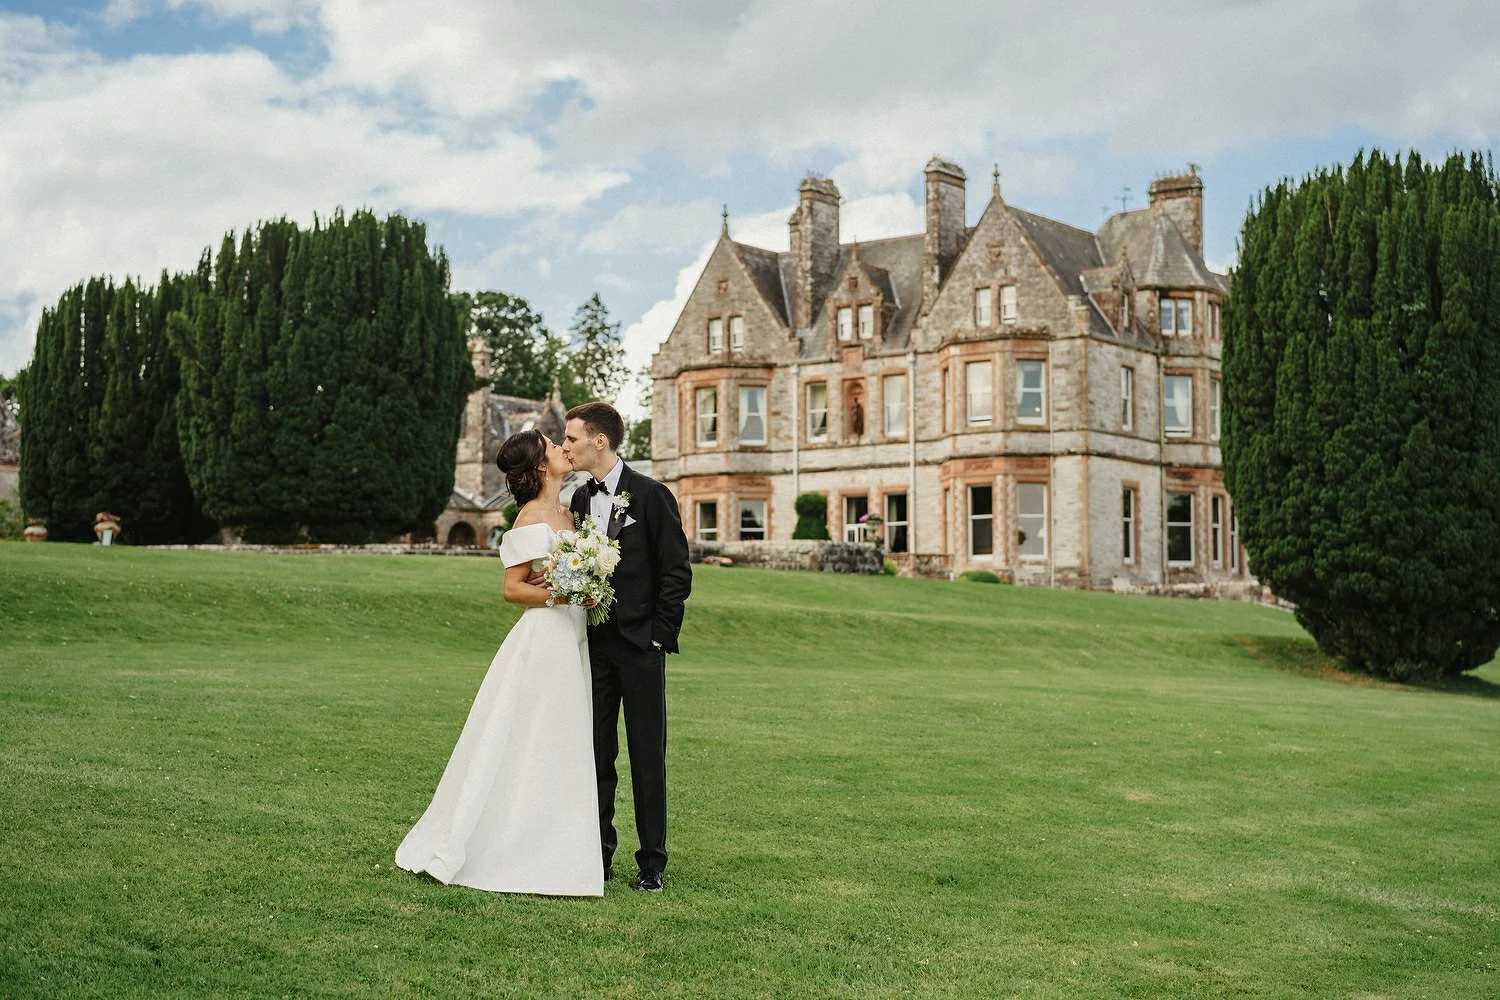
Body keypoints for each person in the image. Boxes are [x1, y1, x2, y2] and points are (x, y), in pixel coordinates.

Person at [394, 430, 602, 897]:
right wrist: (564, 592)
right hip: (544, 638)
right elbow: (513, 589)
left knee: (561, 738)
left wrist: (588, 590)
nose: (563, 449)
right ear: (542, 466)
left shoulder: (568, 513)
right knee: (537, 735)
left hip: (571, 635)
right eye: (554, 446)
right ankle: (512, 846)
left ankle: (555, 842)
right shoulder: (529, 519)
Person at [562, 402, 692, 893]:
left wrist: (659, 634)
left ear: (600, 440)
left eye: (572, 438)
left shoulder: (652, 495)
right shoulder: (577, 501)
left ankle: (652, 862)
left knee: (645, 755)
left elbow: (676, 571)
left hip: (641, 647)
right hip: (594, 648)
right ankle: (598, 856)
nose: (566, 446)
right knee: (596, 754)